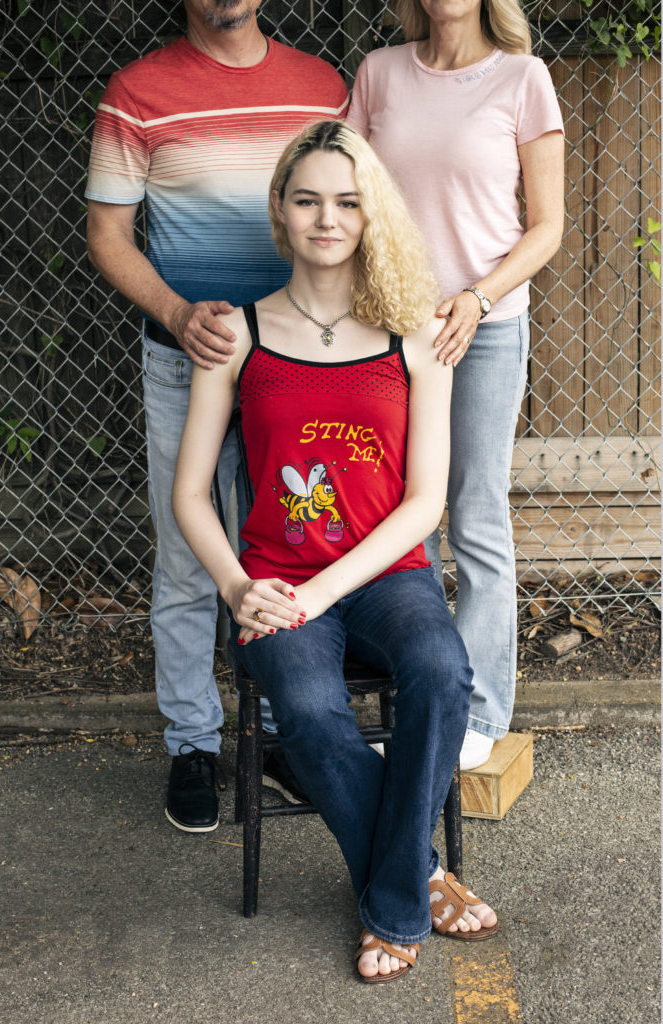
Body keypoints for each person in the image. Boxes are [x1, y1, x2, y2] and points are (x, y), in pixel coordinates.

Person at [172, 119, 498, 982]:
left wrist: (321, 594)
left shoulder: (414, 336)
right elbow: (188, 493)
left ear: (370, 216)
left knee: (439, 673)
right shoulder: (236, 335)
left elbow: (423, 502)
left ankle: (391, 897)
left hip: (387, 576)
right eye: (308, 198)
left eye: (348, 202)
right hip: (273, 584)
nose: (327, 218)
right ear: (280, 211)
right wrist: (241, 587)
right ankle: (417, 878)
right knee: (310, 715)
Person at [85, 0, 349, 831]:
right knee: (188, 556)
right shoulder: (138, 93)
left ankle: (277, 733)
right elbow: (107, 232)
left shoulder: (321, 87)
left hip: (296, 367)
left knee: (294, 544)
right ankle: (193, 743)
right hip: (185, 357)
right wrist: (173, 311)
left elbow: (351, 214)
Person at [347, 0, 564, 770]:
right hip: (385, 330)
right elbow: (347, 201)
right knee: (388, 513)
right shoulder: (377, 75)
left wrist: (475, 296)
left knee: (472, 512)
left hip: (484, 328)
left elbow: (546, 227)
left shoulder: (522, 78)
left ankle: (479, 712)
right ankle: (405, 696)